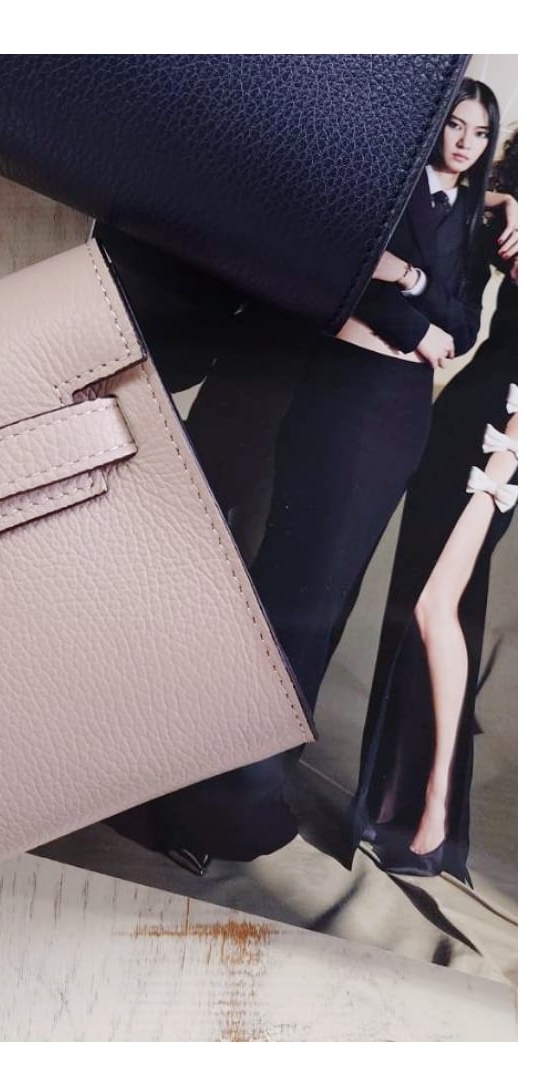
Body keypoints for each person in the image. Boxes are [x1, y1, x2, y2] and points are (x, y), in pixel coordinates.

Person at [152, 79, 502, 872]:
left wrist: (410, 285)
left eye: (479, 133)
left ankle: (249, 793)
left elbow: (464, 325)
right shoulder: (389, 186)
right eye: (454, 124)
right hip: (339, 389)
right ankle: (201, 796)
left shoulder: (473, 220)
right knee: (284, 587)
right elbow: (346, 273)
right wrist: (413, 304)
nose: (463, 142)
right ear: (435, 123)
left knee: (324, 604)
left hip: (397, 417)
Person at [354, 130, 519, 882]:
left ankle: (433, 816)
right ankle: (390, 801)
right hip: (462, 415)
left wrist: (504, 466)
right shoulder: (518, 207)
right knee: (415, 601)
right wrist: (507, 202)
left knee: (437, 606)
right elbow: (453, 196)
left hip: (508, 435)